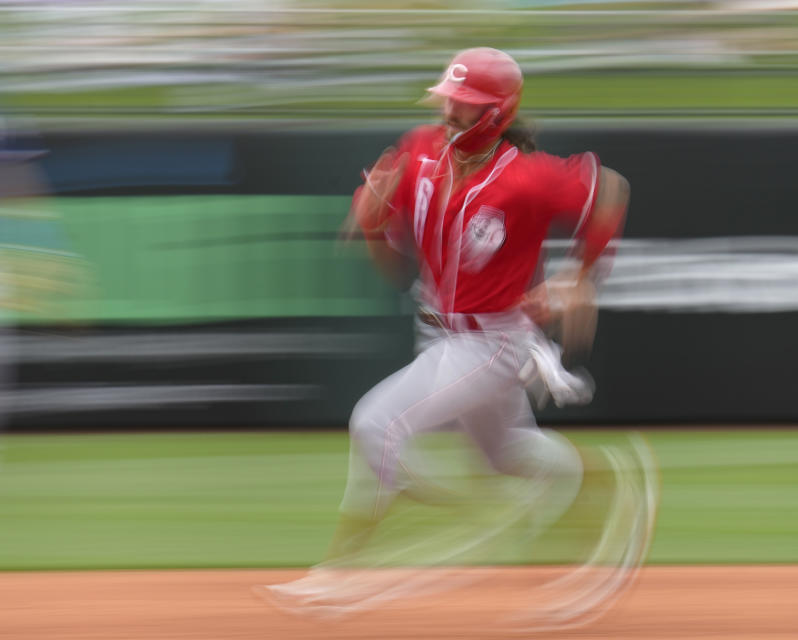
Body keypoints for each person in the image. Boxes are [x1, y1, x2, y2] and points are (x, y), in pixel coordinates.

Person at [263, 48, 655, 627]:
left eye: (464, 105)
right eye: (448, 98)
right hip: (440, 332)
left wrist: (581, 276)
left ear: (495, 115)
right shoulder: (420, 149)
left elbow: (609, 191)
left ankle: (337, 576)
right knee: (506, 458)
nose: (449, 111)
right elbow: (389, 258)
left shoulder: (526, 178)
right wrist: (370, 221)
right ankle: (609, 484)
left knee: (377, 423)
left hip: (493, 342)